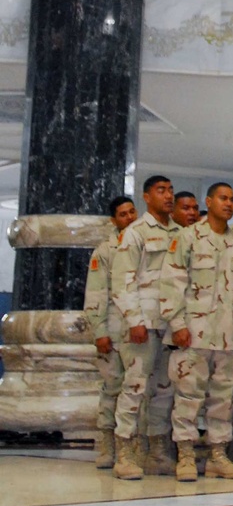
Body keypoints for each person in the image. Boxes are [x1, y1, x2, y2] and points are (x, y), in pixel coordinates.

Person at [161, 182, 233, 481]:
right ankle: (186, 456)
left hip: (227, 334)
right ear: (209, 201)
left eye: (232, 199)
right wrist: (176, 324)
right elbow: (171, 283)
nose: (229, 204)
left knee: (223, 399)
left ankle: (217, 456)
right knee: (188, 397)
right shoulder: (188, 237)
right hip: (193, 332)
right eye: (223, 198)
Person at [110, 174, 178, 480]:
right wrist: (134, 320)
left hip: (171, 324)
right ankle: (125, 451)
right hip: (143, 324)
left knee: (164, 390)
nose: (168, 196)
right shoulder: (136, 232)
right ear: (147, 197)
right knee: (135, 387)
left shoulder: (180, 232)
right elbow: (122, 282)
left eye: (170, 191)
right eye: (161, 191)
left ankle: (157, 450)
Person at [83, 195, 137, 469]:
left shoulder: (143, 243)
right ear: (113, 220)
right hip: (114, 331)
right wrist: (99, 331)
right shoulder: (105, 251)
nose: (129, 217)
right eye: (123, 214)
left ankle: (132, 445)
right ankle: (106, 441)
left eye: (132, 212)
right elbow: (96, 293)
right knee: (112, 387)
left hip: (139, 331)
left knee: (137, 389)